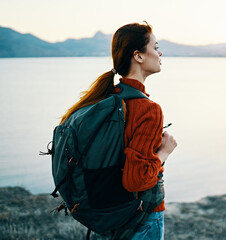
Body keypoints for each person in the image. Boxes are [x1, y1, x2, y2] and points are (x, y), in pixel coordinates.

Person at [60, 22, 177, 240]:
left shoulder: (105, 100)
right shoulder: (148, 110)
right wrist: (165, 152)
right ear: (138, 56)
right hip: (141, 218)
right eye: (156, 46)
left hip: (109, 214)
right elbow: (137, 180)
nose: (160, 52)